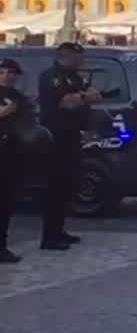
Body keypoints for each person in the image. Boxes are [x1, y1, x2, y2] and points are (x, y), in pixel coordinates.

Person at [37, 42, 100, 249]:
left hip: (72, 136)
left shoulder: (74, 77)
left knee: (67, 186)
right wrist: (83, 97)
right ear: (66, 56)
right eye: (78, 57)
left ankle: (59, 230)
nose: (82, 61)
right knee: (55, 186)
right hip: (55, 138)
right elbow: (66, 102)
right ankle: (49, 237)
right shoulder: (51, 77)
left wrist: (82, 97)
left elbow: (95, 95)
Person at [0, 58, 36, 263]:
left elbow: (28, 120)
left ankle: (2, 246)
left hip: (12, 153)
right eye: (1, 72)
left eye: (9, 73)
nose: (5, 77)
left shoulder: (19, 98)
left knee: (6, 202)